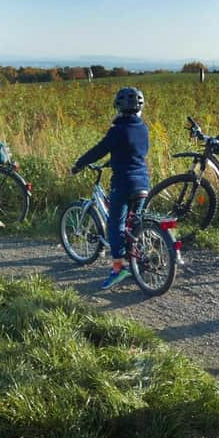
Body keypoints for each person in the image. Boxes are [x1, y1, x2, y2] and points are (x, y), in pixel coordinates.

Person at [71, 87, 150, 290]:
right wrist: (113, 161)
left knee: (116, 225)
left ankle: (118, 267)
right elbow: (133, 152)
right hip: (143, 182)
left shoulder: (117, 130)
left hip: (124, 183)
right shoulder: (143, 128)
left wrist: (80, 163)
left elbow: (100, 149)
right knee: (135, 224)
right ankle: (137, 263)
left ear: (118, 107)